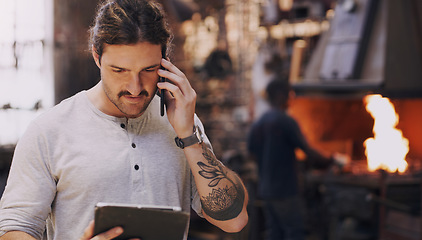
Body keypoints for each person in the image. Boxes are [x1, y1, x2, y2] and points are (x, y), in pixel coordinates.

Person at [0, 0, 248, 239]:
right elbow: (14, 230)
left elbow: (234, 220)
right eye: (119, 70)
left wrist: (189, 137)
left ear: (166, 64)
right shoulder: (49, 131)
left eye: (148, 70)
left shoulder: (183, 124)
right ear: (97, 57)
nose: (134, 87)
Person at [247, 78, 345, 240]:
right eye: (289, 94)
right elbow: (308, 150)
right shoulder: (285, 121)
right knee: (294, 232)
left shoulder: (259, 123)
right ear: (280, 95)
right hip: (285, 190)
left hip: (266, 190)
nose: (291, 98)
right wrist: (333, 159)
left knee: (275, 233)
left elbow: (251, 154)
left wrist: (268, 164)